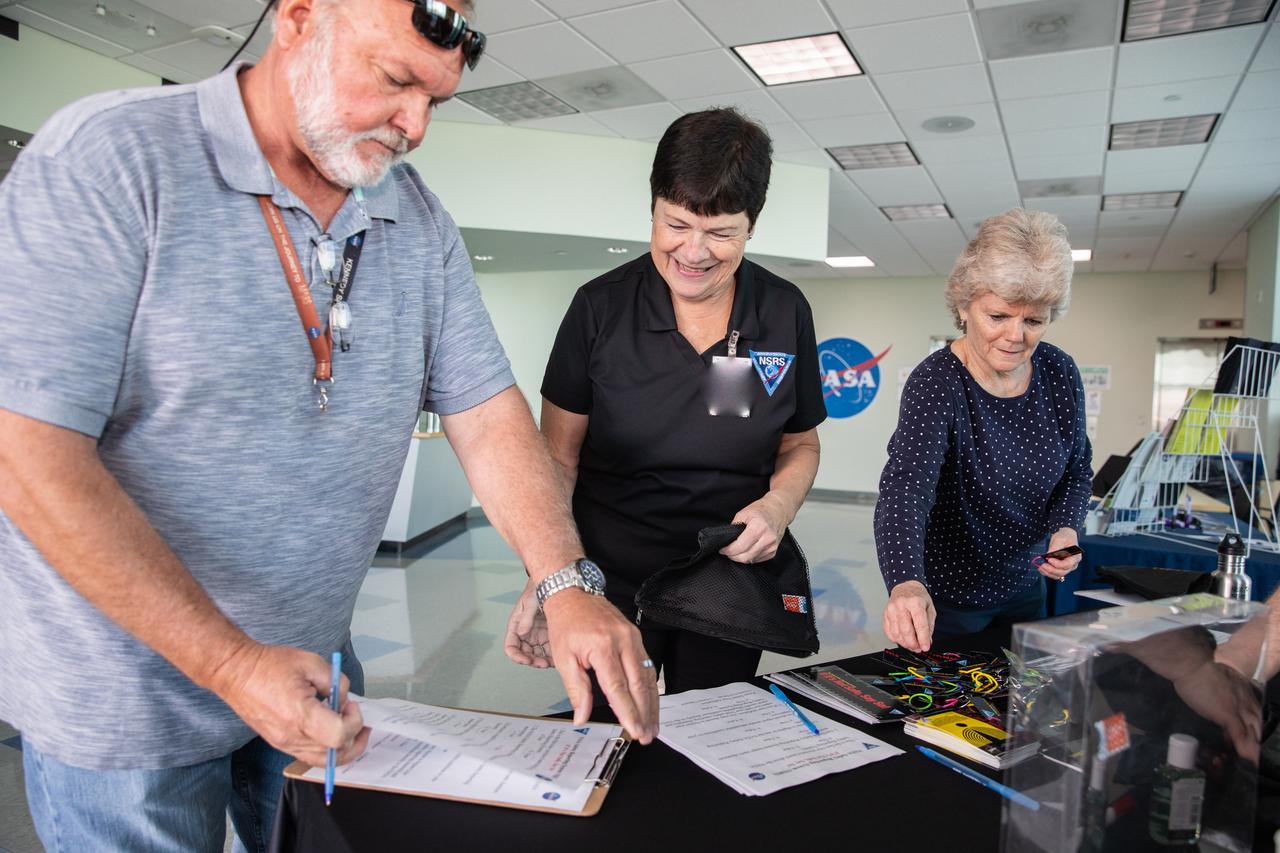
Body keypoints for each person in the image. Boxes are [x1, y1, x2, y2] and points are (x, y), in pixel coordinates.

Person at [0, 1, 656, 850]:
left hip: (312, 671)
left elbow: (487, 412)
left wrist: (564, 579)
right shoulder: (112, 159)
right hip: (125, 702)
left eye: (438, 100)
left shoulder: (415, 221)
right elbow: (28, 454)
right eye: (395, 81)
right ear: (300, 19)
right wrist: (231, 664)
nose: (416, 124)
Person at [504, 109, 826, 696]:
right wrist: (548, 577)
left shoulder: (784, 311)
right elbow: (557, 460)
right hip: (609, 578)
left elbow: (800, 443)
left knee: (711, 739)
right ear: (652, 209)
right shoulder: (598, 310)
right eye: (675, 224)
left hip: (727, 577)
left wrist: (779, 508)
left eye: (721, 232)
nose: (694, 252)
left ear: (752, 226)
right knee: (612, 737)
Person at [874, 208, 1092, 652]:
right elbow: (906, 488)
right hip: (946, 600)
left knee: (1017, 707)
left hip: (1025, 587)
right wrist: (905, 584)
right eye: (999, 316)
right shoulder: (937, 383)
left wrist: (1065, 530)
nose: (1016, 336)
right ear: (964, 305)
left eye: (1034, 321)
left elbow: (1077, 468)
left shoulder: (1058, 371)